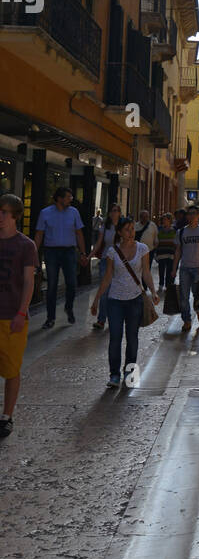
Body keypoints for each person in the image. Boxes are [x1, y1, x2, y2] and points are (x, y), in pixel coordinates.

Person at [91, 216, 159, 388]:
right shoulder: (112, 252)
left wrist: (153, 291)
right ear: (120, 232)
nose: (131, 232)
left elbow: (146, 272)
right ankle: (114, 375)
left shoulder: (142, 248)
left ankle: (129, 373)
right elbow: (107, 278)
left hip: (135, 299)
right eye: (127, 229)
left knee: (133, 338)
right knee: (115, 338)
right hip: (115, 300)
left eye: (132, 229)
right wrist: (97, 299)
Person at [0, 194, 38, 439]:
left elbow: (28, 282)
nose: (0, 216)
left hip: (12, 315)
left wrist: (21, 312)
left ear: (14, 216)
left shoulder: (26, 246)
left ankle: (6, 416)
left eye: (4, 212)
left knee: (11, 369)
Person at [34, 187, 86, 328]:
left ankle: (68, 307)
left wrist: (83, 253)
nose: (71, 199)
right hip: (51, 252)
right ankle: (50, 318)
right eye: (69, 196)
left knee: (72, 283)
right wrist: (33, 255)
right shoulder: (45, 213)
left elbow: (79, 233)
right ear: (59, 198)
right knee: (52, 286)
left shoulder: (74, 212)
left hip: (69, 251)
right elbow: (39, 235)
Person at [172, 205, 199, 332]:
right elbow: (178, 251)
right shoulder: (181, 232)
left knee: (197, 294)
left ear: (198, 215)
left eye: (194, 213)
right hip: (185, 268)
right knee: (183, 296)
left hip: (197, 268)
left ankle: (198, 309)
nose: (191, 216)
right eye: (189, 214)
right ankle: (186, 320)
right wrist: (174, 268)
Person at [89, 202, 122, 329]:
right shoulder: (105, 226)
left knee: (116, 291)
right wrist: (90, 255)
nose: (114, 213)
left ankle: (115, 319)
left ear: (119, 212)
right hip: (105, 260)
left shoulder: (123, 226)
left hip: (119, 262)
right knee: (104, 290)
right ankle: (101, 319)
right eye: (112, 211)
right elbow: (98, 243)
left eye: (116, 210)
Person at [155, 214, 177, 291]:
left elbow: (176, 243)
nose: (164, 221)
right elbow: (157, 241)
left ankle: (168, 285)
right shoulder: (159, 230)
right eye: (163, 219)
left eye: (165, 219)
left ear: (169, 220)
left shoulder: (174, 230)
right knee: (161, 270)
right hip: (161, 253)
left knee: (169, 270)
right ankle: (161, 284)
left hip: (170, 253)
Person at [135, 210, 158, 278]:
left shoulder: (152, 225)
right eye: (143, 216)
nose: (144, 218)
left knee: (147, 268)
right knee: (138, 267)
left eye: (146, 216)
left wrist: (155, 248)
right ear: (140, 217)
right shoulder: (136, 226)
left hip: (149, 251)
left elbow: (155, 237)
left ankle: (145, 284)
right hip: (138, 251)